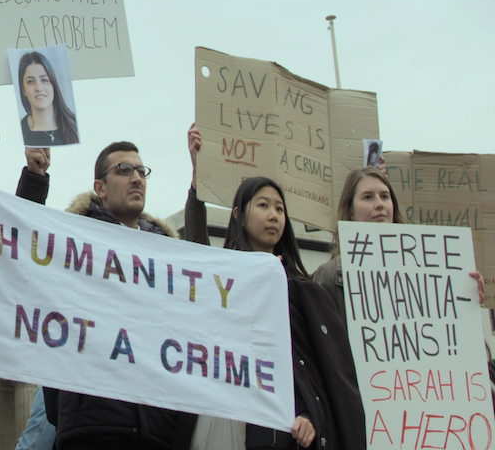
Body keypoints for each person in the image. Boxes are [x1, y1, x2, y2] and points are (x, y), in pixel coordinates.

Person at [16, 144, 195, 450]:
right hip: (93, 425)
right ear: (100, 187)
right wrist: (35, 177)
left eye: (141, 171)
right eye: (123, 170)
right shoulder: (73, 242)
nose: (136, 178)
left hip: (156, 429)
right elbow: (22, 244)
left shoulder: (169, 256)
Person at [187, 169, 365, 450]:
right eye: (263, 205)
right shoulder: (220, 281)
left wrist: (308, 414)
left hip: (277, 432)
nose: (274, 215)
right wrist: (197, 192)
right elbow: (196, 253)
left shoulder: (301, 293)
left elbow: (311, 367)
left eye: (280, 209)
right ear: (238, 216)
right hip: (226, 419)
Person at [309, 164, 483, 320]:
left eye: (384, 196)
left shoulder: (427, 269)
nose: (379, 204)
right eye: (368, 197)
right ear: (351, 212)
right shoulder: (329, 277)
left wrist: (466, 299)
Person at [17, 51, 78, 146]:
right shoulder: (18, 131)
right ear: (23, 90)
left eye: (44, 80)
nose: (38, 88)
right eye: (30, 81)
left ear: (53, 84)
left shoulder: (75, 124)